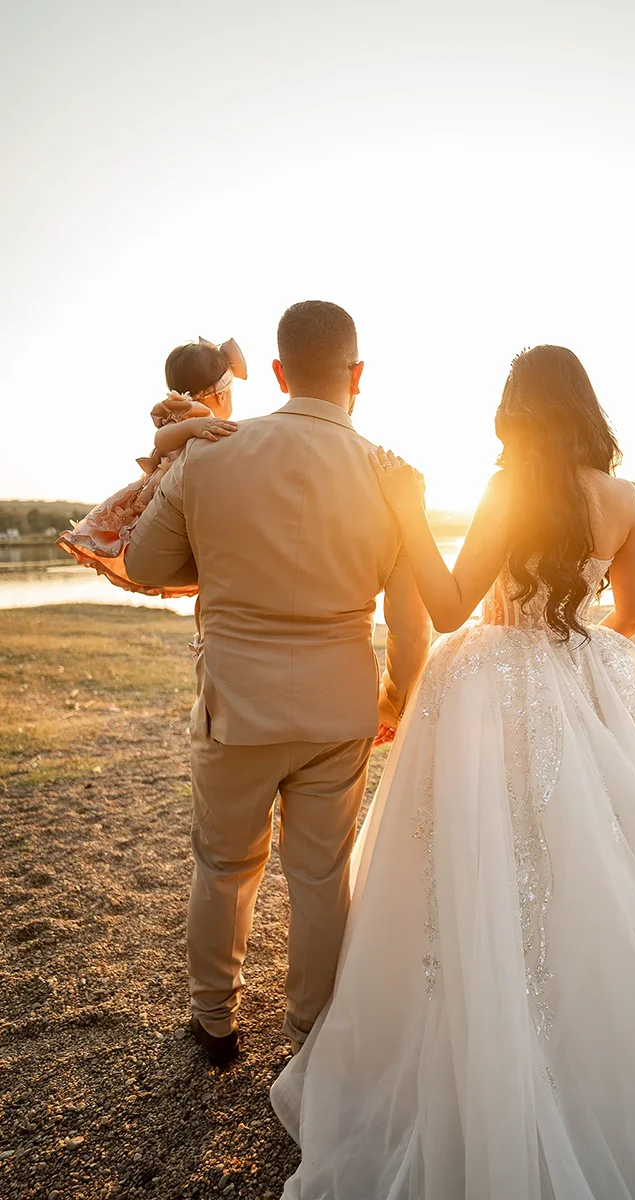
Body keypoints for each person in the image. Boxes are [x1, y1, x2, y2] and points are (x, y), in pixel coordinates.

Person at [270, 345, 635, 1199]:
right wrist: (572, 661)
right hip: (586, 675)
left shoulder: (508, 490)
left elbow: (448, 609)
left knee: (487, 857)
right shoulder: (623, 496)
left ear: (514, 411)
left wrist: (409, 510)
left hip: (488, 686)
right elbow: (631, 613)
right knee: (604, 852)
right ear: (585, 406)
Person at [124, 301, 431, 1066]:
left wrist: (218, 554)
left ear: (280, 372)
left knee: (225, 864)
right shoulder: (389, 477)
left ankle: (215, 1022)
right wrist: (396, 692)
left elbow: (143, 565)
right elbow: (412, 622)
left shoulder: (213, 452)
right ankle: (311, 1030)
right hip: (340, 706)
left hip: (236, 705)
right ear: (357, 375)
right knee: (320, 874)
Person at [56, 337, 245, 597]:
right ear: (222, 394)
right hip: (166, 494)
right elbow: (161, 438)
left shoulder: (202, 419)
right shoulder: (193, 414)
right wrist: (192, 427)